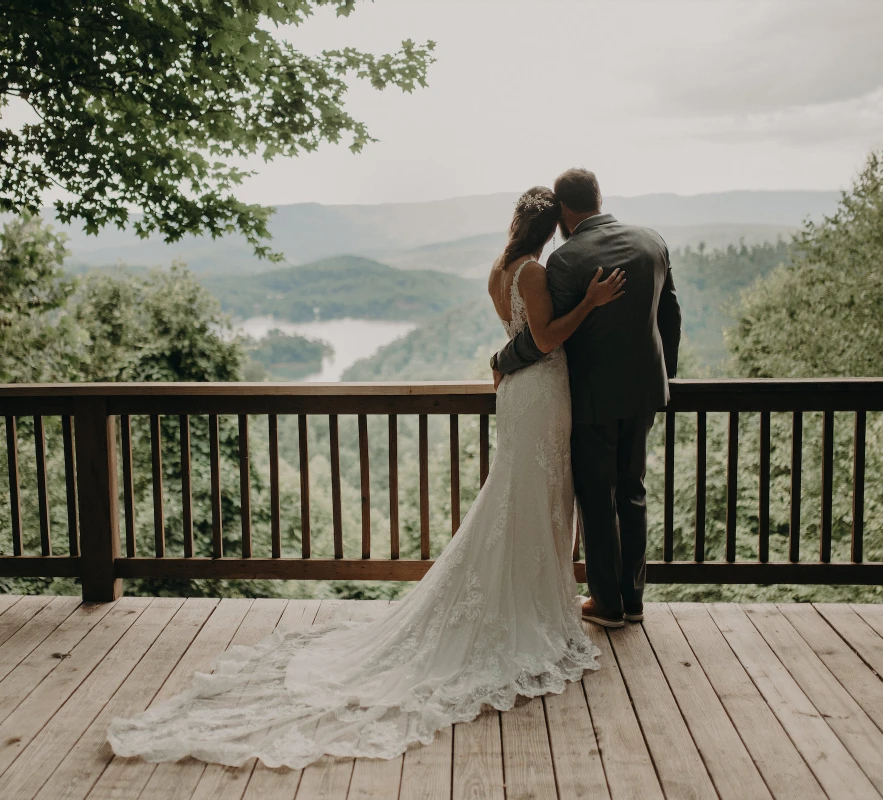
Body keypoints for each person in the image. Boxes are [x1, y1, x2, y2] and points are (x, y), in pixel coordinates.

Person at [107, 184, 625, 770]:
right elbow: (546, 337)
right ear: (550, 226)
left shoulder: (498, 269)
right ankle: (529, 605)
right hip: (541, 391)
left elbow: (514, 341)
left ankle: (530, 596)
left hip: (524, 394)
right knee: (533, 496)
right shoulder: (531, 273)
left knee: (525, 495)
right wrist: (591, 302)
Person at [492, 167, 681, 628]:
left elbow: (544, 339)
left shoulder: (566, 260)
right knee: (632, 491)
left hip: (591, 397)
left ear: (562, 213)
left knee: (598, 497)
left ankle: (607, 604)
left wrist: (502, 359)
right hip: (644, 393)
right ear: (599, 197)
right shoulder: (651, 241)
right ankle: (634, 600)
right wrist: (663, 377)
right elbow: (670, 314)